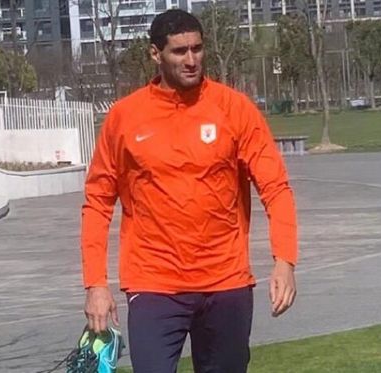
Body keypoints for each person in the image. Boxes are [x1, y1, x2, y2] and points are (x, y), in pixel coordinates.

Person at [81, 9, 298, 373]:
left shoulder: (234, 109)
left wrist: (284, 260)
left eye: (197, 49)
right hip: (154, 283)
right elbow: (97, 202)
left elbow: (275, 187)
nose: (191, 60)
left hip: (225, 281)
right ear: (155, 54)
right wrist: (95, 284)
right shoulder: (124, 117)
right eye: (179, 51)